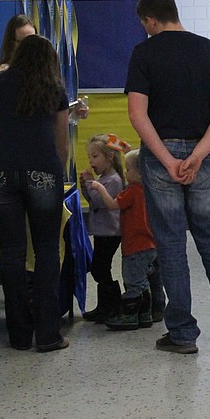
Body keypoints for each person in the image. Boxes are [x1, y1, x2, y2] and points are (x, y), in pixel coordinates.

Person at [125, 0, 210, 354]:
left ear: (150, 20)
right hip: (203, 156)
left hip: (159, 156)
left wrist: (167, 159)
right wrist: (198, 155)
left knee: (170, 245)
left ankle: (182, 334)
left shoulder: (144, 53)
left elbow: (138, 114)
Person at [0, 34, 70, 352]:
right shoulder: (54, 89)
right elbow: (61, 142)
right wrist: (60, 171)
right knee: (45, 251)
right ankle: (48, 334)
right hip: (43, 171)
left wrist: (2, 156)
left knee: (11, 253)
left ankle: (18, 334)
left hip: (0, 173)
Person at [84, 149, 166, 330]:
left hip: (134, 246)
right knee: (143, 281)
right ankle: (144, 314)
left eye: (128, 170)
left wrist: (99, 187)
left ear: (138, 173)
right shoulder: (150, 191)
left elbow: (112, 205)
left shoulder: (132, 191)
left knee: (133, 282)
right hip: (149, 245)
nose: (126, 174)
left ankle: (129, 315)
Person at [79, 134, 127, 322]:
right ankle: (104, 306)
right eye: (90, 156)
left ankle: (113, 305)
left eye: (95, 156)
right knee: (100, 268)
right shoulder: (102, 178)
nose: (91, 160)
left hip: (110, 232)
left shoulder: (113, 180)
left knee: (100, 268)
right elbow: (92, 200)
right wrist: (86, 187)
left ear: (109, 157)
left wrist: (92, 184)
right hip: (101, 230)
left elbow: (100, 201)